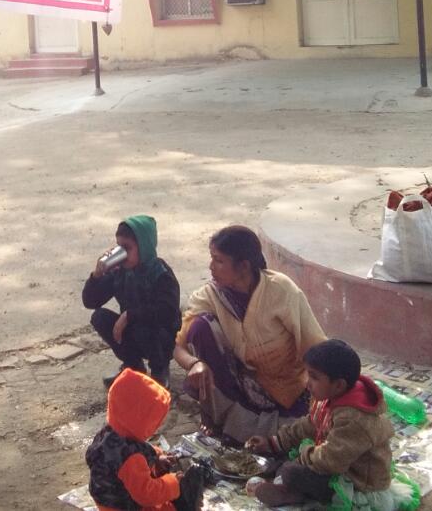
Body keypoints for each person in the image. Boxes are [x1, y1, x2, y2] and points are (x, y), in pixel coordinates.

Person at [174, 225, 326, 443]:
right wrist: (193, 364)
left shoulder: (281, 290)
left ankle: (245, 428)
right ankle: (218, 417)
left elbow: (315, 348)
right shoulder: (210, 295)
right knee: (200, 327)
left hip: (288, 391)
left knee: (305, 431)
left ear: (244, 266)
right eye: (211, 258)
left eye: (218, 260)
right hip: (242, 386)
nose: (211, 267)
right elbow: (177, 346)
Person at [244, 339, 398, 509]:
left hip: (357, 484)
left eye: (314, 377)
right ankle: (292, 490)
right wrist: (274, 442)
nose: (307, 383)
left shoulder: (354, 419)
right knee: (286, 464)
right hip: (336, 465)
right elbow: (309, 425)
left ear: (338, 385)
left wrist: (303, 454)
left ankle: (294, 493)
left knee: (291, 472)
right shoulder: (329, 397)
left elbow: (330, 461)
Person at [85, 367, 207, 511]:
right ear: (141, 422)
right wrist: (172, 483)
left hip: (105, 499)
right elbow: (147, 495)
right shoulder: (131, 458)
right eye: (155, 422)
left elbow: (135, 449)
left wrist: (156, 456)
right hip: (121, 506)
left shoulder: (109, 432)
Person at [82, 215, 182, 388]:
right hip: (135, 328)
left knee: (145, 327)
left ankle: (159, 369)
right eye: (119, 247)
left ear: (143, 247)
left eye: (127, 248)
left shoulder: (161, 273)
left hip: (161, 336)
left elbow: (167, 312)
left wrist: (130, 315)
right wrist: (96, 275)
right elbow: (91, 301)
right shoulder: (121, 271)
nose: (121, 253)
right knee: (99, 317)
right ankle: (133, 366)